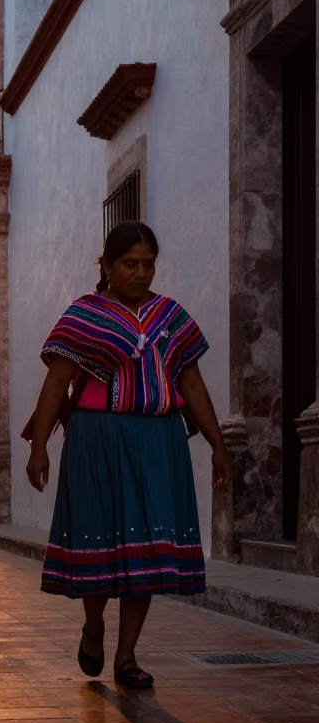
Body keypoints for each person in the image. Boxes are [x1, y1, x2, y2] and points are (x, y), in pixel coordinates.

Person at [24, 220, 231, 690]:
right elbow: (56, 382)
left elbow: (191, 384)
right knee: (100, 543)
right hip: (97, 441)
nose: (141, 273)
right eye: (130, 264)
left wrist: (219, 444)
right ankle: (93, 627)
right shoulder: (84, 315)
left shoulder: (172, 317)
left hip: (159, 441)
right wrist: (39, 447)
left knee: (150, 551)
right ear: (108, 266)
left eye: (149, 264)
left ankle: (127, 657)